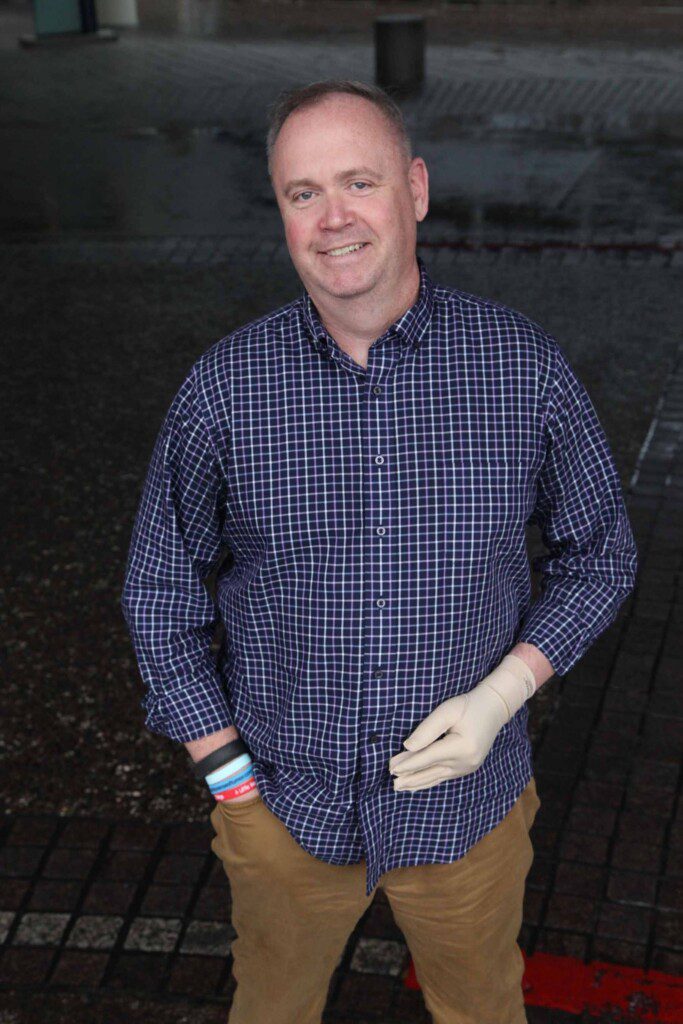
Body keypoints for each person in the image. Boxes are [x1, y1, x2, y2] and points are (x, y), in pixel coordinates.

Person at [120, 79, 638, 1024]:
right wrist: (231, 781)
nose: (333, 219)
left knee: (480, 1008)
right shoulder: (224, 389)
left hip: (467, 812)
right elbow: (159, 588)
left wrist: (504, 693)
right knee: (271, 1009)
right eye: (302, 192)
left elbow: (600, 551)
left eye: (358, 182)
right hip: (283, 807)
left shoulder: (519, 368)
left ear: (417, 189)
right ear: (278, 210)